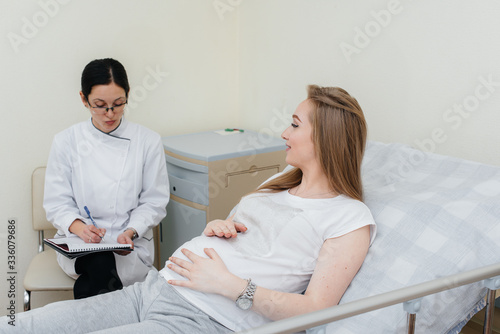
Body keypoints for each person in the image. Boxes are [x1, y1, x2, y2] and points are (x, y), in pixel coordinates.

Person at [2, 85, 375, 333]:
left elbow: (317, 310)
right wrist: (218, 227)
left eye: (294, 125)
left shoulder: (348, 217)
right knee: (22, 324)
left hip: (198, 318)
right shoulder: (278, 183)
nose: (283, 133)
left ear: (326, 138)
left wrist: (230, 286)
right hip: (153, 289)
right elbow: (244, 238)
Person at [43, 58, 170, 299]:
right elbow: (57, 203)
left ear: (128, 95)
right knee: (99, 261)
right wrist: (80, 229)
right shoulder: (67, 142)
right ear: (83, 99)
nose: (110, 114)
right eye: (99, 105)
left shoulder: (147, 141)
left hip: (130, 243)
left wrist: (131, 231)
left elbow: (154, 201)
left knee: (97, 271)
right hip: (78, 241)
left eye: (118, 104)